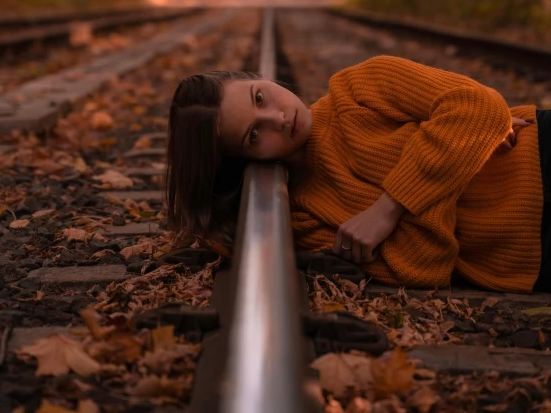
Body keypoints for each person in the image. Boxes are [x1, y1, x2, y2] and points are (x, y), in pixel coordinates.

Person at [165, 55, 546, 293]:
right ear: (244, 162)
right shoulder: (301, 217)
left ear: (258, 77)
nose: (277, 120)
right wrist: (462, 145)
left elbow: (480, 104)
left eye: (259, 97)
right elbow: (424, 266)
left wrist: (388, 209)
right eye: (253, 135)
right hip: (531, 256)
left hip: (539, 153)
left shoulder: (361, 87)